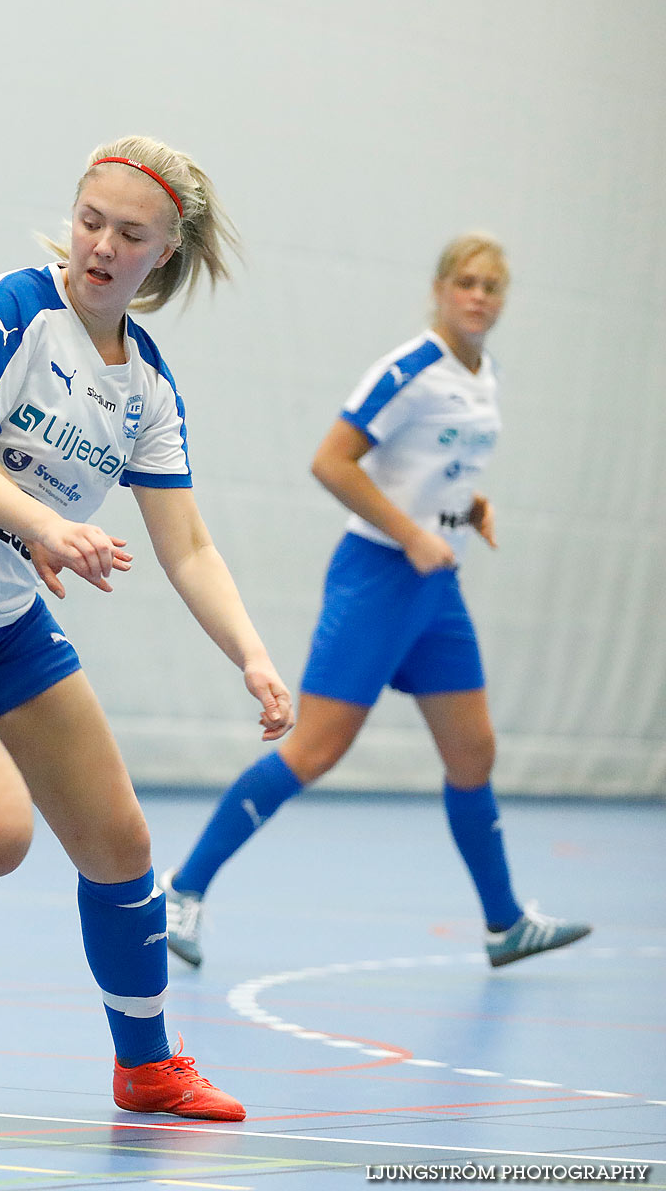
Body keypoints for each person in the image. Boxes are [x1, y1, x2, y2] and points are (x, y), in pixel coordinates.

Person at [0, 137, 291, 1122]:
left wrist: (252, 656)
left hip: (2, 626)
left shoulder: (148, 387)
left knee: (119, 843)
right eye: (90, 221)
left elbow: (189, 546)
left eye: (129, 234)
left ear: (165, 253)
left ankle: (149, 1067)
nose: (101, 247)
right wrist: (50, 528)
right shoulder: (15, 308)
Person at [160, 233, 591, 971]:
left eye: (492, 285)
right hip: (378, 576)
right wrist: (411, 535)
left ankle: (503, 923)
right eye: (466, 281)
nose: (479, 295)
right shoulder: (410, 369)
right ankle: (180, 890)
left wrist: (466, 505)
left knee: (473, 751)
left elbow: (433, 465)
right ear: (439, 290)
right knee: (317, 748)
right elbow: (331, 461)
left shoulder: (483, 375)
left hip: (436, 586)